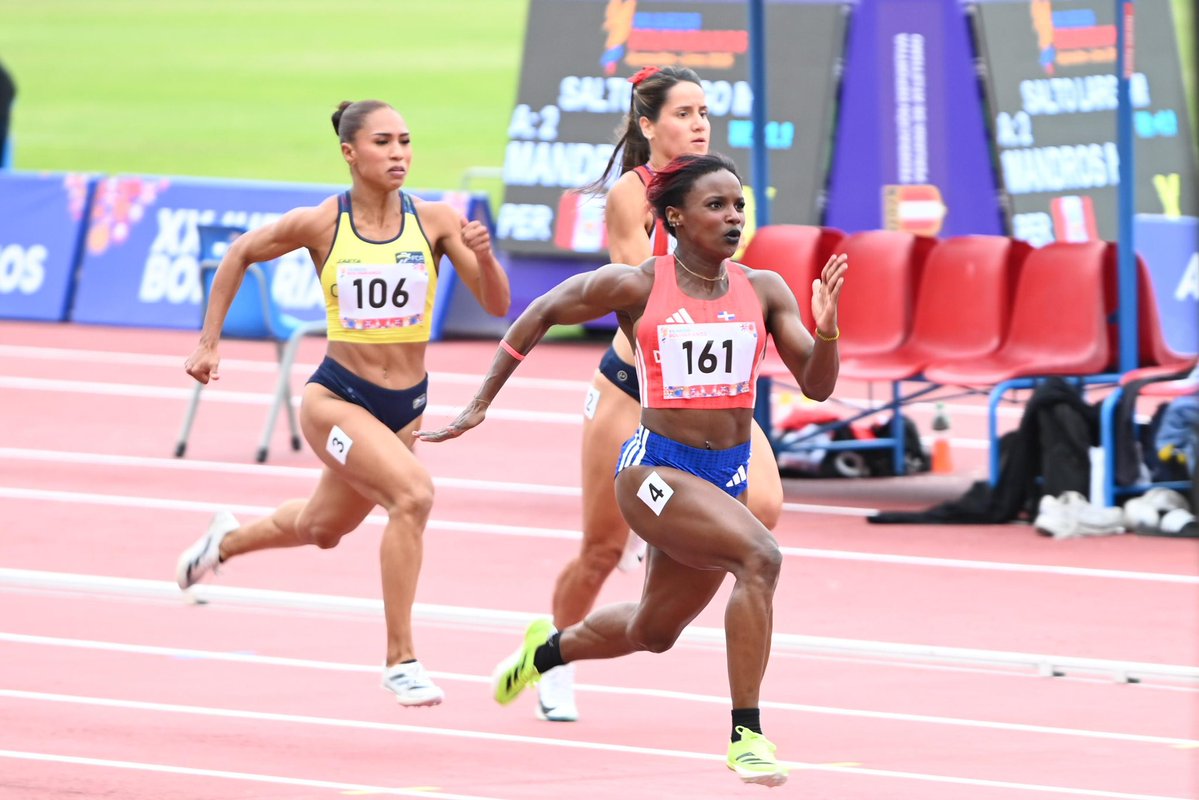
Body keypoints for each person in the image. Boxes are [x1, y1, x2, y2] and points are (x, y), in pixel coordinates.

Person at [417, 153, 847, 785]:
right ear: (674, 218)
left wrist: (828, 332)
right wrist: (479, 402)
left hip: (723, 476)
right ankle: (746, 736)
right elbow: (540, 313)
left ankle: (547, 650)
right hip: (653, 471)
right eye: (716, 206)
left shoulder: (765, 290)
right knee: (761, 557)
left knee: (654, 630)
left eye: (738, 207)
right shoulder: (638, 284)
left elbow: (816, 387)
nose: (733, 218)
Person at [176, 99, 511, 707]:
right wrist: (208, 343)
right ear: (350, 153)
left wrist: (482, 255)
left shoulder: (435, 220)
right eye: (383, 143)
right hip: (336, 398)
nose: (399, 154)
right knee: (412, 496)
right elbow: (239, 253)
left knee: (321, 528)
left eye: (406, 141)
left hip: (404, 405)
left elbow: (495, 304)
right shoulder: (320, 223)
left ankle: (222, 542)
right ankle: (400, 660)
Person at [539, 64, 785, 723]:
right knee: (599, 550)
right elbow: (639, 294)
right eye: (683, 113)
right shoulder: (632, 194)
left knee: (762, 504)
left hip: (710, 400)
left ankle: (676, 532)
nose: (699, 123)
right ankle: (552, 657)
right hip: (635, 390)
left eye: (704, 112)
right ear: (648, 127)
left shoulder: (721, 189)